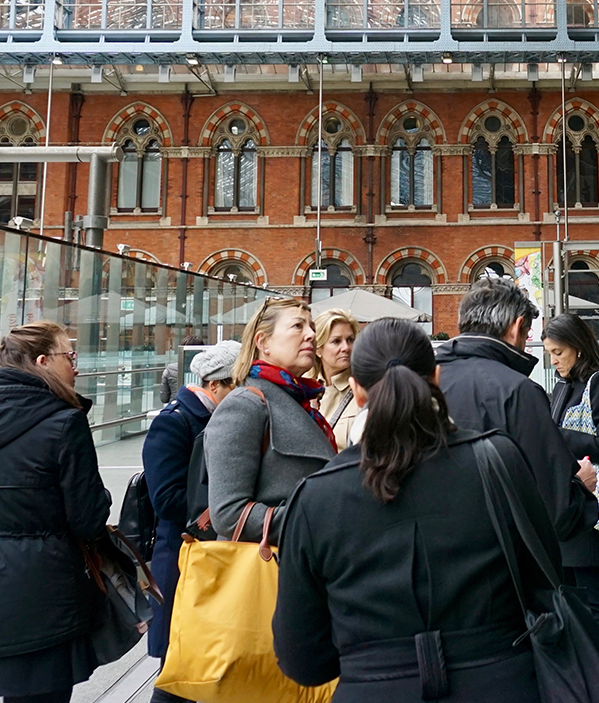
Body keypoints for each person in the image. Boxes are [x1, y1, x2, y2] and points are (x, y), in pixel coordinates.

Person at [275, 318, 559, 702]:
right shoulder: (498, 460)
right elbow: (545, 582)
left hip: (373, 690)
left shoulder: (315, 497)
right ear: (437, 377)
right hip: (502, 683)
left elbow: (302, 659)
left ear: (357, 391)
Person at [0, 321, 112, 703]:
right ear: (42, 361)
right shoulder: (64, 422)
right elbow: (88, 518)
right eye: (69, 356)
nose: (75, 367)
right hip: (46, 593)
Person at [434, 274, 588, 541]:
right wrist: (580, 486)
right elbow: (555, 510)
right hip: (499, 554)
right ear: (516, 327)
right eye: (527, 335)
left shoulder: (418, 382)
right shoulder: (518, 392)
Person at [143, 341, 239, 703]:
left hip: (212, 556)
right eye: (237, 385)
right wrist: (226, 505)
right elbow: (167, 499)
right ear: (215, 384)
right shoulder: (175, 421)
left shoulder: (222, 419)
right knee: (178, 671)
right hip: (182, 559)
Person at [205, 297, 335, 542]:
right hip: (271, 560)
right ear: (263, 342)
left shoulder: (298, 399)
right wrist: (317, 520)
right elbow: (228, 515)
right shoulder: (245, 405)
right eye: (298, 326)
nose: (311, 335)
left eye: (312, 327)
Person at [543, 312, 599, 624]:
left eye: (558, 352)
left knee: (594, 601)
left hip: (592, 511)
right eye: (550, 353)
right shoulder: (562, 387)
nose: (553, 361)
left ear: (577, 347)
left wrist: (558, 436)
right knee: (574, 601)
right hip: (569, 508)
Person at [314, 310, 361, 447]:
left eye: (350, 340)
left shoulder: (364, 388)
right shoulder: (304, 388)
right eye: (336, 341)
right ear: (318, 349)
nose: (346, 347)